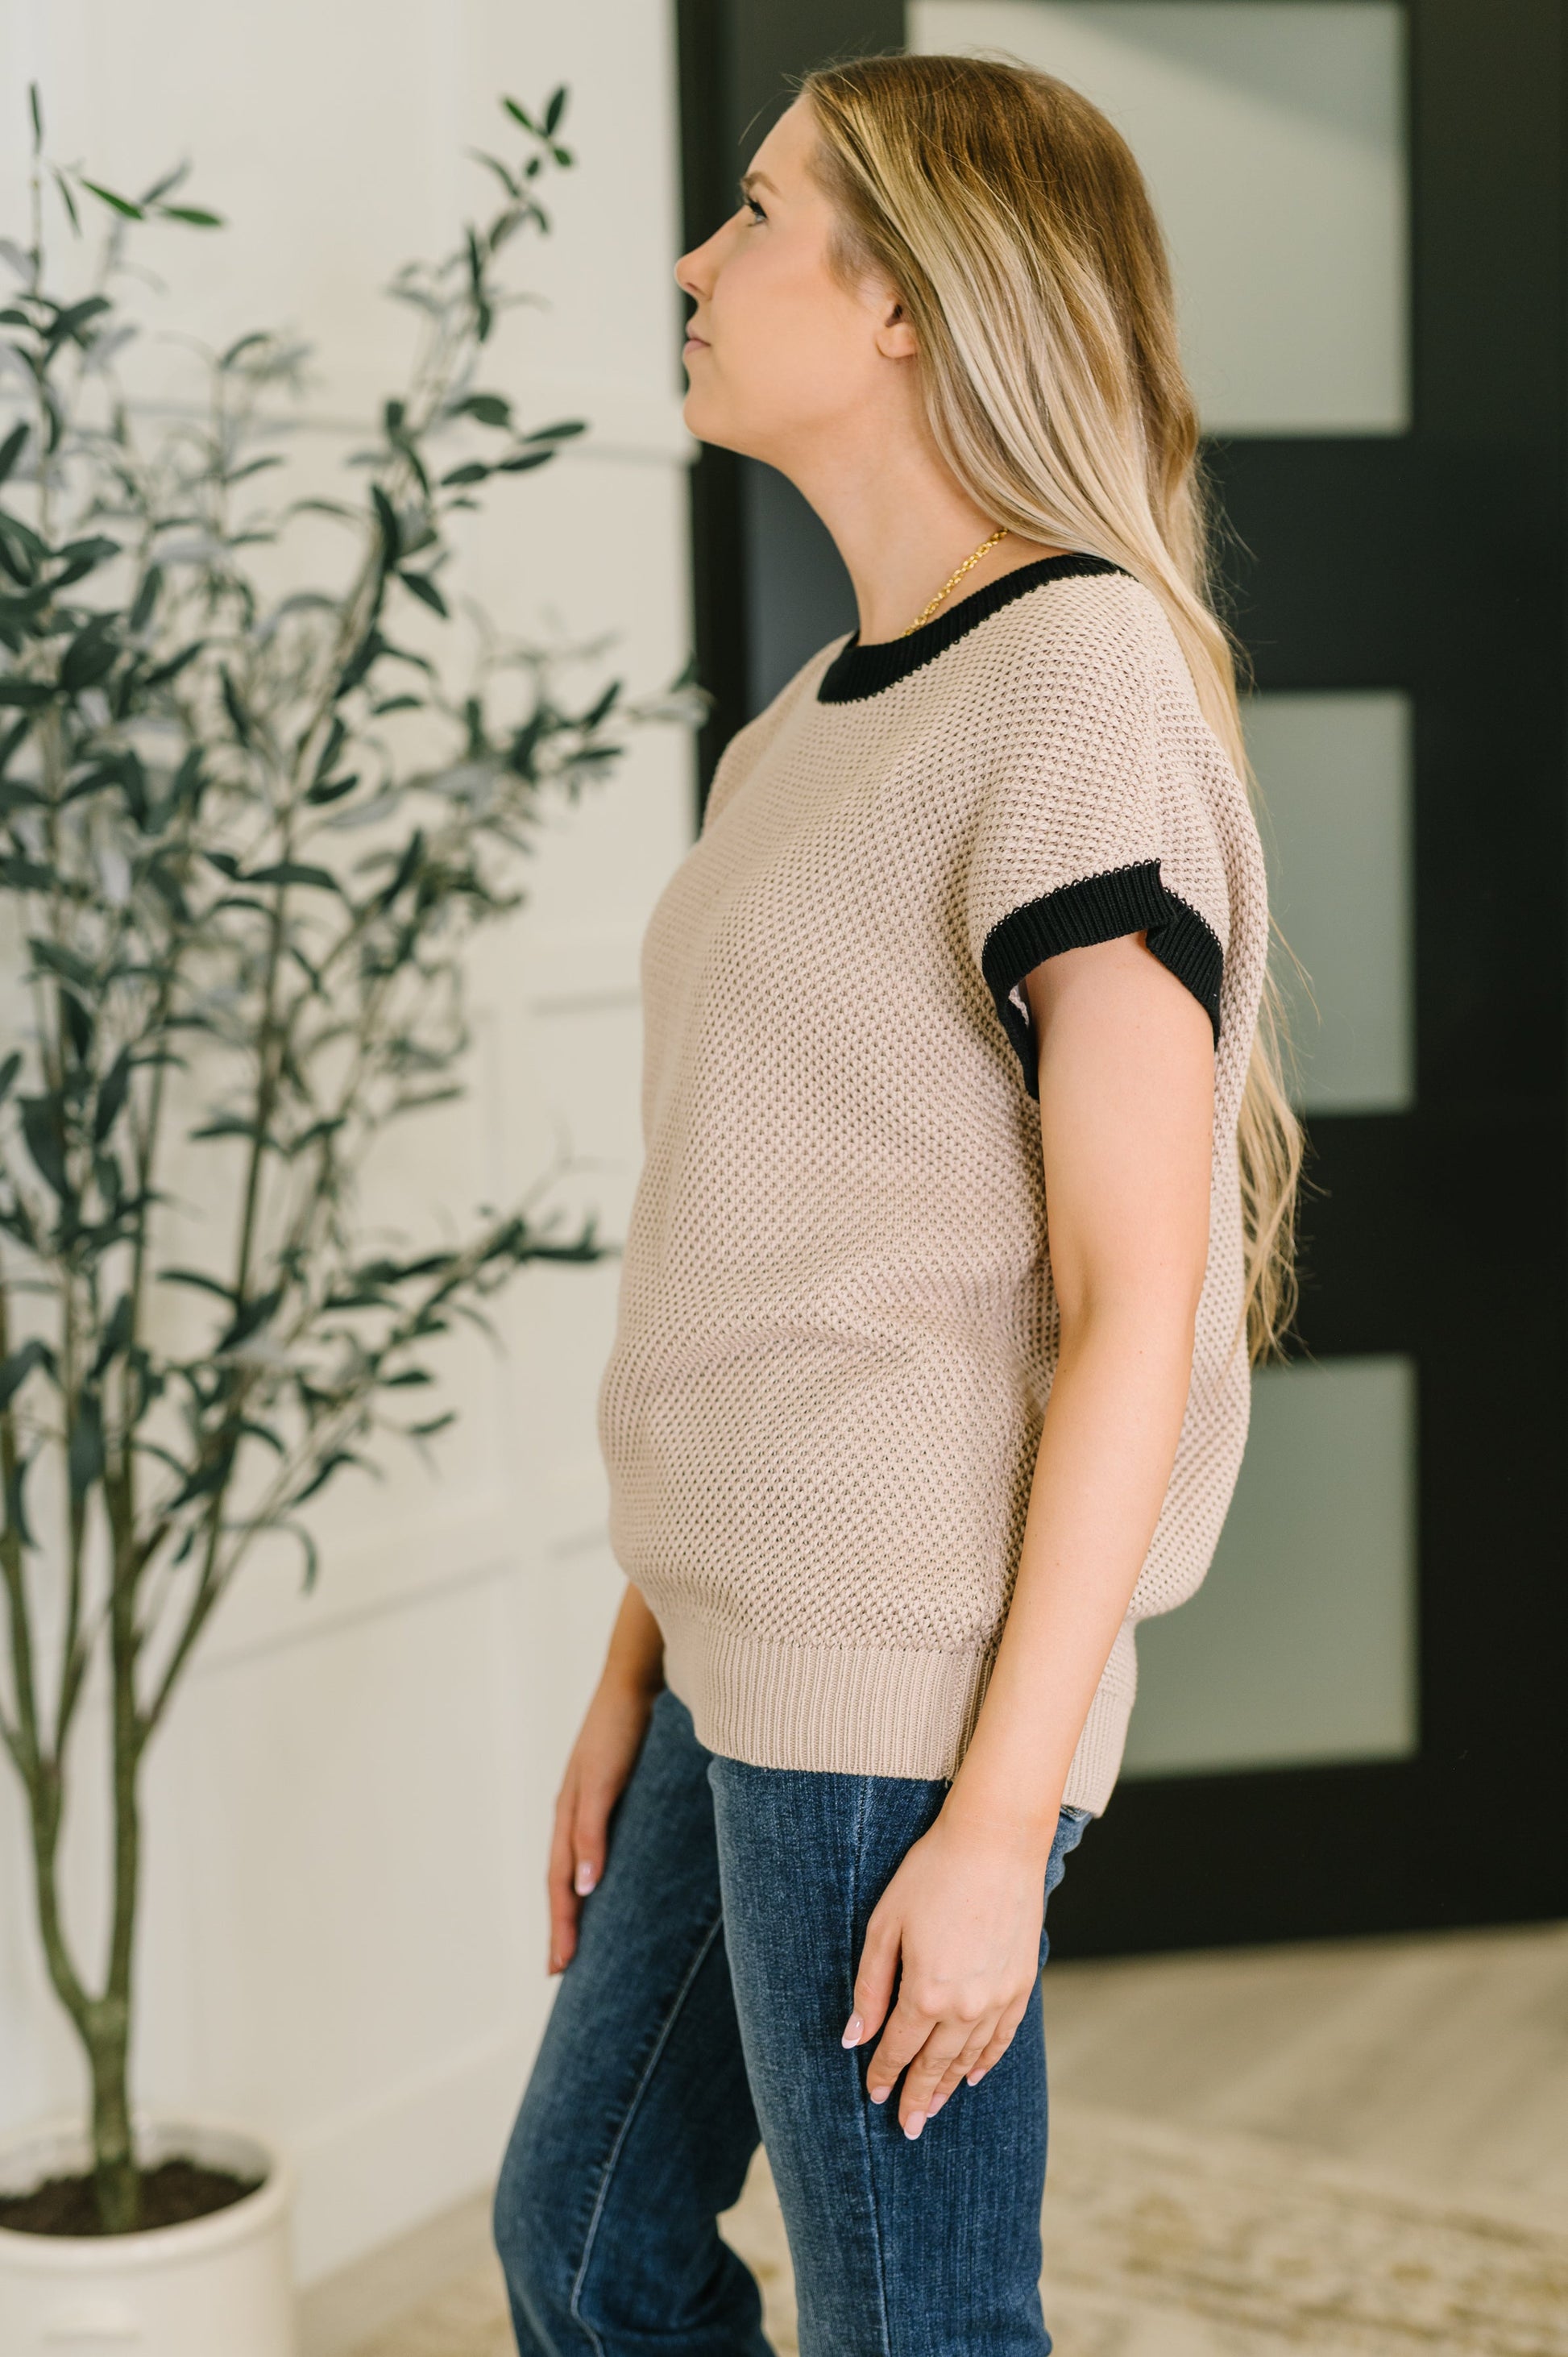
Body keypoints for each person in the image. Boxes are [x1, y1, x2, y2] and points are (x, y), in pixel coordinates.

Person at [493, 49, 1299, 2357]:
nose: (692, 257)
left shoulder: (1075, 678)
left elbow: (1133, 1299)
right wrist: (638, 1657)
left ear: (908, 304)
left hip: (899, 1687)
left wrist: (998, 1822)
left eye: (756, 212)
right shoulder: (804, 726)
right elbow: (776, 1242)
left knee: (913, 2333)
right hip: (731, 1647)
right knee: (582, 2248)